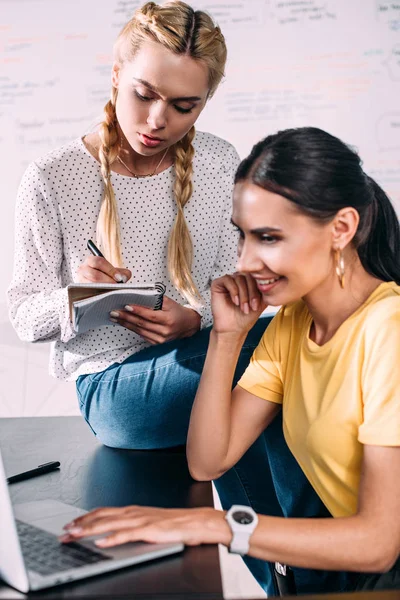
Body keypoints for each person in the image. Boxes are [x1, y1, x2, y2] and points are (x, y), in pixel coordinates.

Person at [60, 127, 400, 596]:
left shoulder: (389, 330)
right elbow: (208, 459)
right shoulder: (293, 323)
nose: (245, 261)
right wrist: (225, 335)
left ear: (340, 229)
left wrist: (219, 526)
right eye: (243, 236)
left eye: (268, 237)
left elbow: (379, 544)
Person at [7, 0, 270, 448]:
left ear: (205, 103)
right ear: (115, 76)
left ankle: (282, 520)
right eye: (144, 95)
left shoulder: (220, 161)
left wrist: (193, 320)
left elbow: (241, 287)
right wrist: (76, 297)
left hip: (206, 359)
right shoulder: (52, 177)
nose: (157, 121)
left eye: (184, 106)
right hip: (113, 390)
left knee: (285, 370)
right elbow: (23, 317)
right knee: (298, 338)